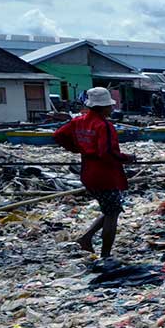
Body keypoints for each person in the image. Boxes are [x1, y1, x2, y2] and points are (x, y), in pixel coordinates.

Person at [53, 87, 136, 258]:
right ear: (102, 107)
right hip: (104, 175)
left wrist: (76, 149)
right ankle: (105, 256)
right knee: (112, 216)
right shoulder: (104, 125)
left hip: (88, 173)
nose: (112, 109)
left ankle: (86, 238)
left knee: (111, 210)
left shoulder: (79, 121)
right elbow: (107, 153)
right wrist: (127, 157)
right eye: (109, 106)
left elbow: (59, 135)